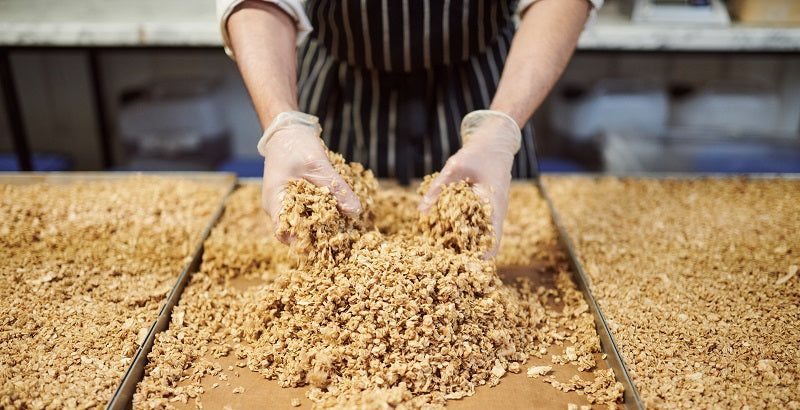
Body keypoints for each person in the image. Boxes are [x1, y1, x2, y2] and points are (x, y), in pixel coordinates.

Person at [217, 0, 600, 255]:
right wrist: (283, 124)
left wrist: (502, 125)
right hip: (342, 87)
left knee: (483, 232)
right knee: (327, 240)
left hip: (484, 88)